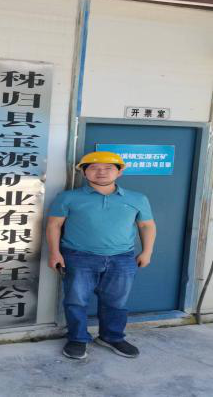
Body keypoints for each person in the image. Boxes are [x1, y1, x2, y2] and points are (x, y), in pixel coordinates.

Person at [46, 151, 156, 360]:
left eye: (108, 168)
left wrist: (147, 252)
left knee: (117, 302)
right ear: (84, 172)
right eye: (94, 168)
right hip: (79, 257)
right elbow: (54, 225)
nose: (101, 172)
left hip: (122, 258)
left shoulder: (137, 198)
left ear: (119, 172)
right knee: (76, 301)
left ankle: (111, 337)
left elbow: (147, 226)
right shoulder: (68, 197)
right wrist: (54, 253)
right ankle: (77, 339)